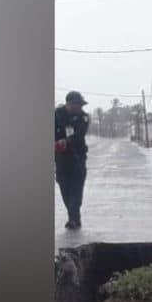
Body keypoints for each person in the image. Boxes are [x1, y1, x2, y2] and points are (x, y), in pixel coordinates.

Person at [55, 91, 90, 229]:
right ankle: (73, 216)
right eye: (77, 105)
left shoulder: (84, 117)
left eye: (81, 105)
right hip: (61, 158)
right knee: (65, 188)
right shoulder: (56, 115)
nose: (80, 108)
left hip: (78, 157)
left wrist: (66, 141)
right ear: (69, 104)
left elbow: (79, 134)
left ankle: (74, 218)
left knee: (76, 189)